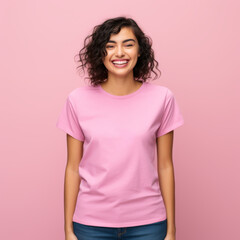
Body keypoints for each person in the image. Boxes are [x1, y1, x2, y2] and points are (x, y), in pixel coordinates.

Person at [56, 16, 184, 240]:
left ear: (140, 50)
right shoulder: (77, 100)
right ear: (100, 53)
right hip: (90, 225)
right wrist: (68, 230)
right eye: (110, 46)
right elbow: (73, 167)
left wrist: (171, 230)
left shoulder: (162, 99)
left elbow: (165, 165)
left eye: (128, 44)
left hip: (149, 224)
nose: (120, 53)